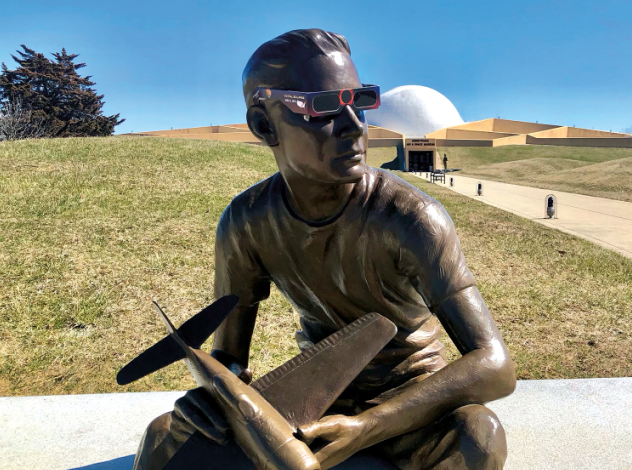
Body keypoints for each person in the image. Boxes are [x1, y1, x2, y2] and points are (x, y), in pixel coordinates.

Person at [135, 29, 515, 470]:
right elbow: (229, 358)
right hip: (313, 398)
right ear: (264, 125)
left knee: (478, 437)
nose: (355, 127)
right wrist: (216, 394)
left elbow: (495, 363)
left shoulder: (412, 218)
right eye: (323, 108)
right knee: (165, 438)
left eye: (360, 101)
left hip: (411, 402)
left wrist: (368, 426)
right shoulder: (246, 222)